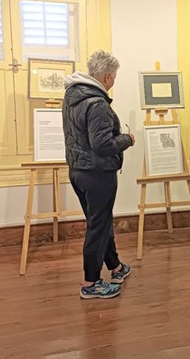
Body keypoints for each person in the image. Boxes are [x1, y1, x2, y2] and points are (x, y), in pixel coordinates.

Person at [62, 50, 135, 299]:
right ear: (105, 77)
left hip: (78, 171)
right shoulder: (98, 103)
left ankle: (115, 266)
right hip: (97, 173)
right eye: (113, 78)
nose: (114, 82)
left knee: (100, 223)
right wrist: (127, 139)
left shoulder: (72, 96)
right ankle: (90, 282)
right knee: (98, 226)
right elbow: (102, 145)